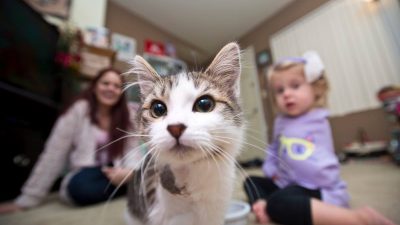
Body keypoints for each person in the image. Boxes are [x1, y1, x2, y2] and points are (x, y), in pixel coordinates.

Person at [243, 51, 396, 225]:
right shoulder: (280, 121)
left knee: (279, 202)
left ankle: (359, 218)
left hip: (315, 187)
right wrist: (270, 168)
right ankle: (263, 205)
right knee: (251, 181)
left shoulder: (317, 118)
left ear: (315, 89)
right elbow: (274, 148)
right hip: (285, 182)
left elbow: (324, 161)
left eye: (295, 86)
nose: (286, 94)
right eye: (280, 90)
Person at [0, 67, 141, 213]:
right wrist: (27, 200)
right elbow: (53, 155)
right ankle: (125, 191)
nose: (110, 88)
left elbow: (133, 152)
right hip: (86, 174)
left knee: (145, 177)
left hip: (118, 170)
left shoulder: (127, 115)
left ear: (121, 92)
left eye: (117, 86)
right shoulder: (77, 111)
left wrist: (129, 174)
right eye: (105, 83)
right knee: (80, 188)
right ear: (94, 86)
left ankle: (126, 188)